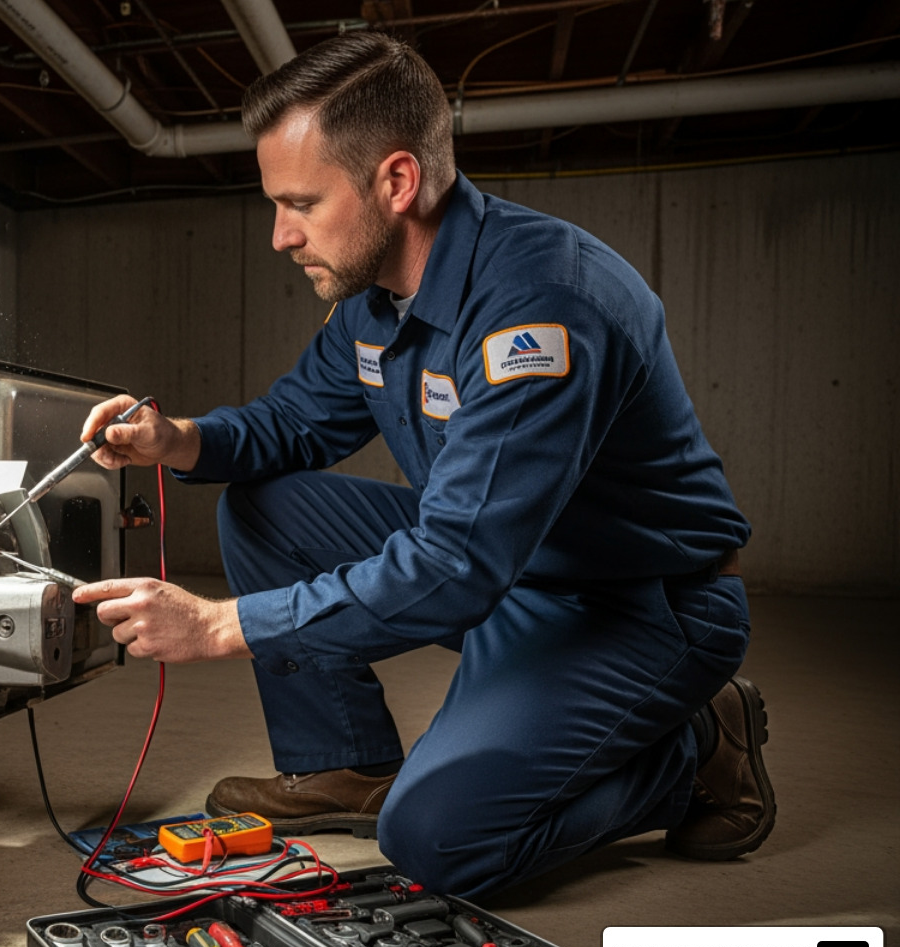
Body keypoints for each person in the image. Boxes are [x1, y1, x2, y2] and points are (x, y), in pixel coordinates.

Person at [69, 32, 775, 898]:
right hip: (511, 565)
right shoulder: (375, 297)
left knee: (439, 842)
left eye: (300, 203)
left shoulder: (540, 310)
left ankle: (694, 751)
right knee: (262, 507)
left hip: (631, 603)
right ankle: (347, 764)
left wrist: (219, 627)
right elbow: (295, 421)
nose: (280, 237)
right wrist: (176, 437)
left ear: (396, 182)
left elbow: (455, 568)